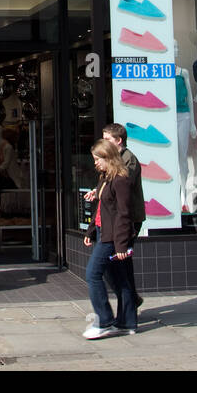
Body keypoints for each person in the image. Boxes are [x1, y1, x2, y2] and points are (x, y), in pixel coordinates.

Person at [82, 140, 138, 339]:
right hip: (102, 231)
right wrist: (90, 232)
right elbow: (100, 209)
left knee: (92, 274)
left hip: (111, 236)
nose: (95, 163)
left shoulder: (120, 180)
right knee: (119, 278)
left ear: (109, 158)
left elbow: (124, 214)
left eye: (98, 159)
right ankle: (127, 322)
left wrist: (122, 243)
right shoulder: (105, 177)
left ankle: (105, 320)